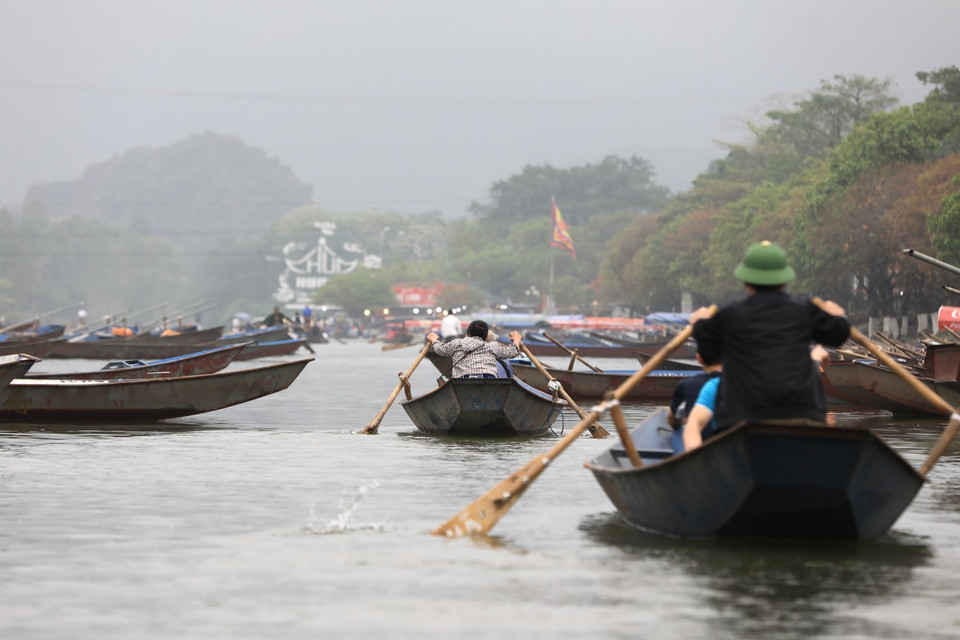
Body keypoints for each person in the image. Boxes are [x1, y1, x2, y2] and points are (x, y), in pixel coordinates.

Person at [684, 240, 850, 449]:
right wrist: (837, 315)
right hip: (802, 414)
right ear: (783, 281)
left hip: (741, 417)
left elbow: (706, 347)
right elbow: (839, 334)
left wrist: (698, 321)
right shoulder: (803, 311)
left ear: (746, 282)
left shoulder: (729, 315)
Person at [427, 319, 522, 379]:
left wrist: (434, 339)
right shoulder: (492, 346)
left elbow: (440, 350)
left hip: (461, 382)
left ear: (468, 333)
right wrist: (517, 340)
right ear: (485, 337)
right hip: (489, 381)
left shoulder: (457, 343)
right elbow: (512, 352)